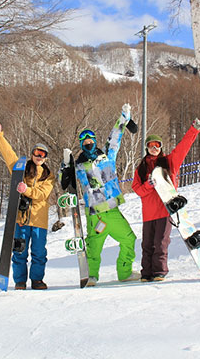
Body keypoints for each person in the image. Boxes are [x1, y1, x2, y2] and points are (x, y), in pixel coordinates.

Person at [60, 104, 138, 287]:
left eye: (90, 139)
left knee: (129, 239)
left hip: (112, 209)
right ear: (81, 144)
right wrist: (65, 167)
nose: (88, 142)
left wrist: (124, 118)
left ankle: (124, 272)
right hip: (95, 214)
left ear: (95, 141)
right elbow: (65, 183)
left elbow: (115, 138)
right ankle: (91, 276)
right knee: (94, 247)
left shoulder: (107, 156)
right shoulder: (78, 165)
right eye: (84, 140)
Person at [131, 118, 200, 282]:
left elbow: (183, 148)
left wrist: (194, 130)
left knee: (161, 242)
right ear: (147, 148)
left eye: (157, 146)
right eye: (151, 146)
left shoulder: (169, 162)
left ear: (161, 147)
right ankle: (146, 273)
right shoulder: (141, 168)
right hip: (148, 213)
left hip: (165, 210)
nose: (154, 148)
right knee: (147, 244)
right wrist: (148, 185)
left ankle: (159, 271)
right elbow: (137, 189)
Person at [0, 122, 54, 290]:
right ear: (32, 154)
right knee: (19, 250)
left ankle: (37, 280)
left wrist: (26, 190)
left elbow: (42, 194)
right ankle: (20, 281)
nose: (39, 156)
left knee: (39, 253)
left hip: (39, 221)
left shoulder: (48, 176)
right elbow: (9, 155)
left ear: (45, 157)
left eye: (42, 154)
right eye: (37, 153)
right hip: (22, 219)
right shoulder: (23, 168)